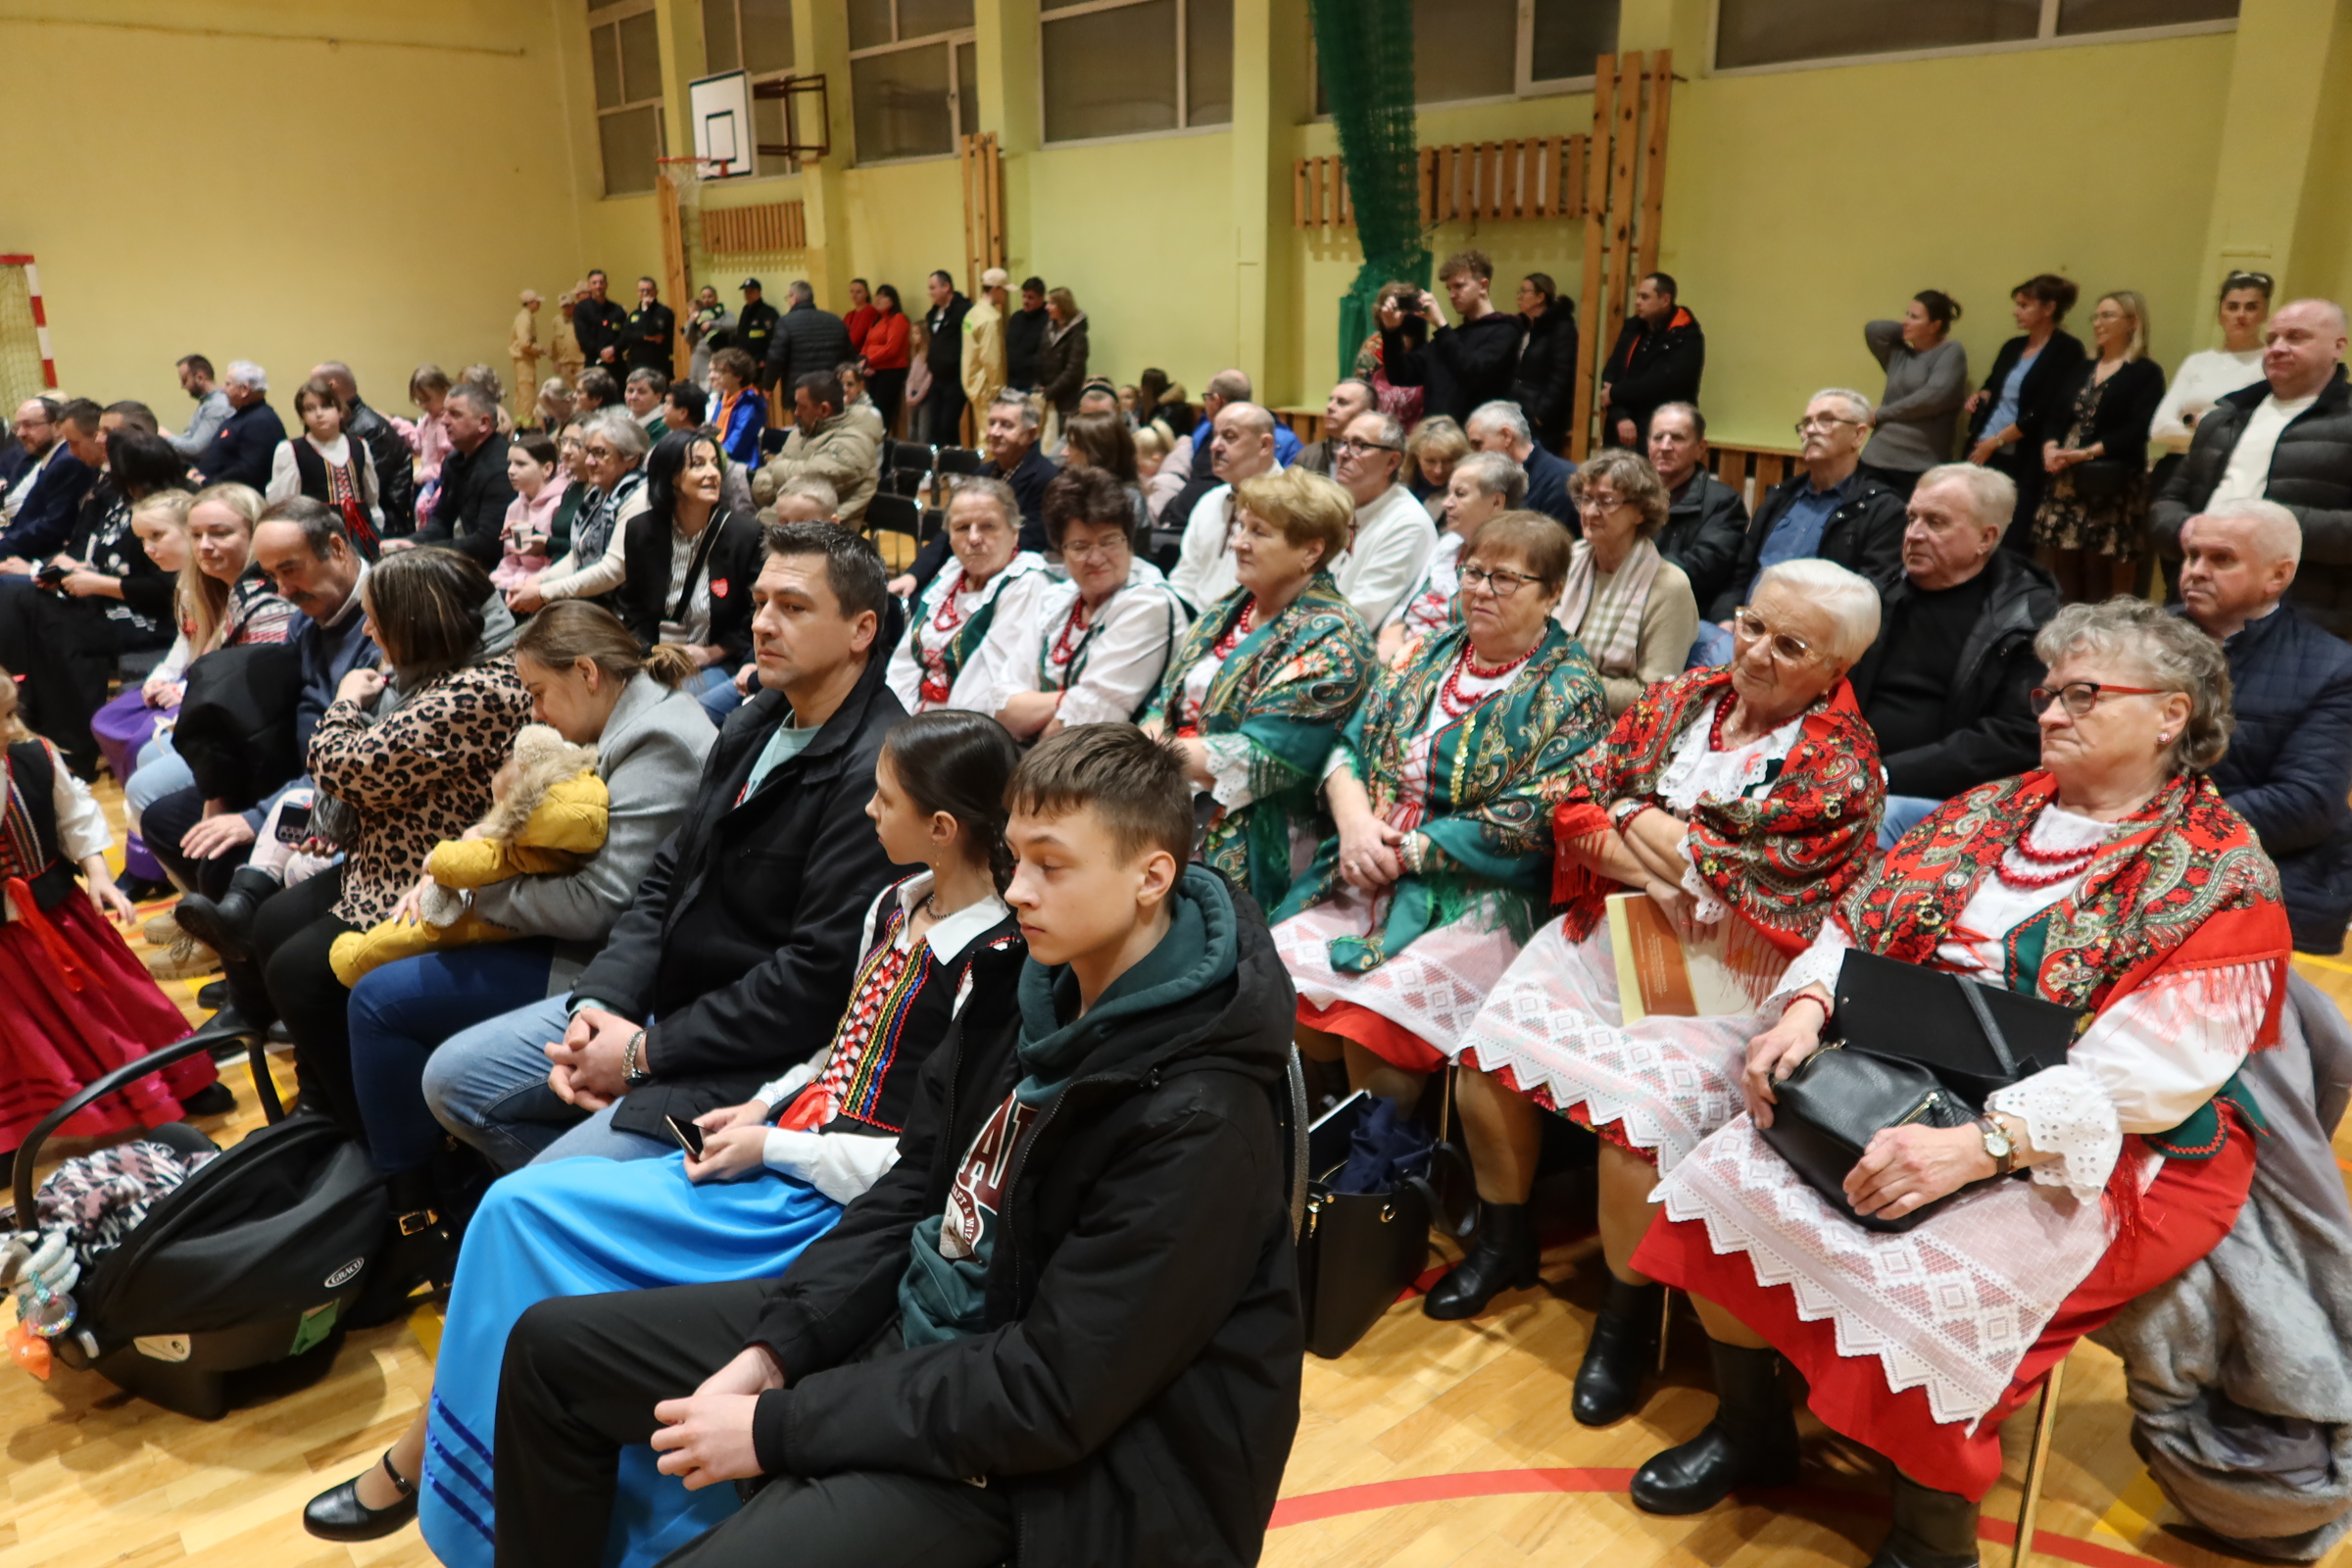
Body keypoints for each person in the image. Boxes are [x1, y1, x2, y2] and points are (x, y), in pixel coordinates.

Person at [486, 722, 1300, 1568]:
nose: (1019, 890)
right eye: (1015, 857)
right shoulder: (1023, 981)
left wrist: (779, 1424)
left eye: (1051, 866)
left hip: (1053, 1463)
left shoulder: (1201, 1117)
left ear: (1151, 878)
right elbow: (912, 1190)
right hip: (924, 1341)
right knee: (551, 1353)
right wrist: (777, 1350)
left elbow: (1051, 1391)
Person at [1632, 600, 2288, 1567]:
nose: (2050, 711)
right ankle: (1751, 1427)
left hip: (2100, 1138)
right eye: (2048, 692)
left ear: (2170, 715)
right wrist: (1806, 1008)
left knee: (1934, 1288)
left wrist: (1978, 1149)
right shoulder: (1992, 808)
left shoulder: (2221, 872)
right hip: (1906, 1075)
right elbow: (1856, 922)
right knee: (1728, 1180)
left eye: (2083, 694)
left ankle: (1930, 1542)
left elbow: (2148, 1077)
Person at [306, 710, 1030, 1557]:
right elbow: (836, 1047)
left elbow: (923, 1165)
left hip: (825, 1202)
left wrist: (772, 1143)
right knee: (512, 1210)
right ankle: (469, 1476)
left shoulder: (993, 963)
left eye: (886, 799)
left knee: (523, 1217)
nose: (870, 810)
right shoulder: (894, 902)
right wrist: (763, 1104)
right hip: (776, 1140)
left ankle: (473, 1479)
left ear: (940, 829)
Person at [1441, 560, 1884, 1344]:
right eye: (1752, 626)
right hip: (1616, 926)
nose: (1755, 652)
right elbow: (1572, 805)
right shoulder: (1679, 698)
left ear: (1837, 668)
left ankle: (1625, 1320)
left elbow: (1735, 873)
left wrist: (1628, 810)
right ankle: (1503, 1241)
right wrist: (1658, 864)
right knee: (1485, 1053)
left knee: (1637, 1124)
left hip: (1733, 974)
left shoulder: (1843, 768)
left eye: (1789, 646)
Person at [424, 524, 905, 1168]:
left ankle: (598, 1196)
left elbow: (814, 983)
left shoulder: (880, 771)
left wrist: (641, 1054)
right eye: (760, 602)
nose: (763, 624)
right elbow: (667, 878)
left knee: (531, 1199)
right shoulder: (757, 719)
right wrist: (601, 1004)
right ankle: (592, 1191)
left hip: (748, 1063)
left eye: (793, 607)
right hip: (663, 1007)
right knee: (452, 1079)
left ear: (862, 630)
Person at [1279, 511, 1609, 1103]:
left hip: (1478, 887)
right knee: (1275, 977)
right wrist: (1355, 825)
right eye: (1473, 572)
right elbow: (1350, 744)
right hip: (1365, 855)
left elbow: (1537, 813)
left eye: (1505, 579)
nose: (1481, 590)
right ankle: (1312, 1131)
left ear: (1552, 593)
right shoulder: (1426, 653)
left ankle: (1378, 1152)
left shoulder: (1569, 690)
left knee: (1375, 1021)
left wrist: (1410, 851)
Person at [226, 548, 531, 1135]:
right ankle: (322, 1100)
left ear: (415, 623)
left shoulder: (477, 690)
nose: (368, 631)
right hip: (388, 855)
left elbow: (343, 767)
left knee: (299, 973)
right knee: (272, 922)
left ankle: (372, 1132)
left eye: (376, 619)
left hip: (435, 877)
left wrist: (344, 701)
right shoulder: (434, 671)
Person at [0, 666, 222, 1181]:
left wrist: (98, 873)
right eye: (1, 719)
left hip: (60, 918)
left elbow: (74, 816)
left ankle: (176, 1082)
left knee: (115, 1006)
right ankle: (14, 1130)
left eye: (11, 714)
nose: (12, 727)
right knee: (17, 1039)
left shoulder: (33, 757)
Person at [1146, 466, 1376, 908]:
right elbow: (1164, 703)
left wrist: (1146, 754)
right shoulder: (1229, 608)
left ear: (1311, 551)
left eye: (1259, 532)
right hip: (1172, 785)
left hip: (1258, 827)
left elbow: (1260, 757)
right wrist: (1145, 744)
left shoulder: (1336, 638)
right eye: (1240, 527)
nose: (1239, 542)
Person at [1847, 464, 2058, 848]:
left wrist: (1885, 774)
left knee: (1875, 822)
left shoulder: (2028, 619)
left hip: (1947, 798)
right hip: (1850, 773)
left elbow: (2015, 736)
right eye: (1912, 518)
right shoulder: (1878, 594)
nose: (1914, 534)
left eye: (1936, 522)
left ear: (1985, 537)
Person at [2178, 499, 2352, 955]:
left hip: (2250, 879)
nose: (2196, 571)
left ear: (2278, 576)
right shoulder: (2134, 641)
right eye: (2192, 555)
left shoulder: (2332, 668)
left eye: (2221, 559)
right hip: (2115, 855)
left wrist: (2164, 831)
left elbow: (2306, 802)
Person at [2152, 297, 2352, 637]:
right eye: (2271, 339)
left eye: (2296, 337)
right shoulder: (2223, 419)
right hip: (2196, 608)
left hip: (2304, 615)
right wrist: (2188, 530)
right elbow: (2167, 503)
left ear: (2338, 346)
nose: (2277, 348)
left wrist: (2265, 533)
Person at [0, 430, 184, 779]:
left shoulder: (168, 512)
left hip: (142, 615)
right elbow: (97, 554)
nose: (104, 465)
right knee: (14, 597)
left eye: (111, 460)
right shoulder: (117, 501)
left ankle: (76, 746)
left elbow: (164, 590)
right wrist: (72, 570)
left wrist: (97, 583)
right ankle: (30, 723)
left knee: (51, 626)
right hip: (103, 597)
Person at [982, 466, 1190, 741]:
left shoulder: (1148, 602)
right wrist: (1069, 700)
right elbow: (1003, 706)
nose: (1096, 558)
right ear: (1060, 551)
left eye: (1109, 542)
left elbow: (1092, 721)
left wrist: (1040, 716)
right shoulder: (1058, 599)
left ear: (1129, 542)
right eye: (1080, 546)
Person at [1705, 389, 1907, 631]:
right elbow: (1739, 575)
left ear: (1858, 435)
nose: (1810, 430)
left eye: (1825, 421)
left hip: (1810, 640)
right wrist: (1725, 620)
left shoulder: (1882, 509)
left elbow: (1868, 602)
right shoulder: (1780, 497)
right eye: (1806, 423)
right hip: (1744, 627)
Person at [2032, 290, 2167, 603]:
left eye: (2108, 316)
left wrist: (2085, 453)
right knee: (2063, 564)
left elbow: (2139, 428)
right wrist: (2050, 448)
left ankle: (2099, 632)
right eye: (2096, 316)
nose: (2098, 323)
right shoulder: (2082, 368)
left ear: (2132, 322)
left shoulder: (2145, 372)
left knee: (2098, 571)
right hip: (2066, 478)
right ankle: (2069, 627)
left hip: (2109, 482)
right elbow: (2056, 416)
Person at [622, 431, 763, 722]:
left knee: (673, 713)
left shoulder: (745, 534)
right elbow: (633, 607)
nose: (713, 473)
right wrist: (653, 654)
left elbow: (753, 615)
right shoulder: (641, 530)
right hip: (656, 659)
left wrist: (711, 653)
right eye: (698, 464)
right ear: (671, 476)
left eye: (715, 464)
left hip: (720, 662)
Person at [885, 478, 1050, 714]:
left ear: (1014, 532)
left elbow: (991, 686)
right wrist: (894, 716)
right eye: (962, 528)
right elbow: (905, 662)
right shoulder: (950, 576)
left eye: (988, 526)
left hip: (974, 724)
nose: (973, 538)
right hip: (917, 717)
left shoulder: (1025, 583)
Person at [1562, 450, 1701, 715]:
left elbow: (1656, 695)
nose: (1590, 512)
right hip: (1550, 707)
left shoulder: (1669, 586)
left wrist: (1565, 683)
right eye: (1586, 499)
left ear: (1640, 511)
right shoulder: (1568, 559)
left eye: (1606, 501)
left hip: (1612, 724)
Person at [1966, 273, 2087, 555]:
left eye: (2024, 305)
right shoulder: (2012, 346)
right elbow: (1993, 384)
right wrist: (1981, 395)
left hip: (2022, 456)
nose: (2015, 311)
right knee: (1972, 529)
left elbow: (2047, 408)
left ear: (2048, 308)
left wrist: (1996, 442)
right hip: (1984, 446)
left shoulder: (2067, 350)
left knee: (2012, 537)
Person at [1379, 450, 1526, 661]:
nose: (1446, 503)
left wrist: (1408, 658)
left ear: (1496, 503)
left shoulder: (1514, 564)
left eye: (1460, 494)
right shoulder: (1449, 544)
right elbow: (1406, 604)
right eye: (1449, 493)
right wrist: (1392, 636)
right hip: (1403, 651)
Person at [510, 409, 650, 613]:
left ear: (632, 458)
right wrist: (539, 580)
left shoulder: (639, 498)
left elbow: (613, 570)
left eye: (600, 453)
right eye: (589, 452)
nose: (590, 461)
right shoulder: (598, 494)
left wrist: (544, 592)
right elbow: (578, 555)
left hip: (626, 613)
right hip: (594, 604)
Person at [2151, 270, 2272, 487]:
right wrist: (2220, 431)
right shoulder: (2197, 362)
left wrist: (2196, 423)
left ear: (2264, 313)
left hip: (2232, 473)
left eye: (2251, 307)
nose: (2241, 314)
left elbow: (2257, 432)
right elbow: (2159, 429)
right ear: (2220, 314)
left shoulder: (2270, 363)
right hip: (2178, 466)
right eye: (2232, 307)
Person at [1381, 249, 1524, 426]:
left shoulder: (1505, 330)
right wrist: (1392, 331)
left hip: (1476, 435)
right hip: (1437, 434)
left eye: (1459, 286)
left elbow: (1473, 374)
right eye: (1449, 288)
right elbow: (1400, 375)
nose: (1452, 295)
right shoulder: (1450, 338)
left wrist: (1441, 325)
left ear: (1483, 286)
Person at [1168, 400, 1283, 612]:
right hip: (1198, 623)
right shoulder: (1210, 501)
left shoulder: (1291, 506)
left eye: (1229, 437)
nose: (1214, 446)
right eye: (1215, 436)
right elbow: (1185, 579)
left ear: (1264, 445)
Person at [1329, 408, 1439, 626]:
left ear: (1391, 462)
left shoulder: (1408, 524)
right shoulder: (1343, 504)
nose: (1343, 453)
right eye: (1343, 442)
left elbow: (1361, 614)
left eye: (1359, 445)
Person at [1860, 291, 1970, 496]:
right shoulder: (1899, 353)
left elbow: (1933, 398)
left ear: (1935, 325)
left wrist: (1882, 413)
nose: (1905, 321)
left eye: (1914, 317)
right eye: (1907, 314)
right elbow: (1874, 329)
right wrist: (1909, 327)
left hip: (1917, 464)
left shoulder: (1950, 352)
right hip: (1875, 458)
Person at [265, 376, 385, 558]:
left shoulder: (359, 445)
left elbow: (371, 497)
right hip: (318, 537)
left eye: (326, 406)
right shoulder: (291, 450)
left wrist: (377, 525)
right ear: (302, 417)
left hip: (363, 535)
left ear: (340, 410)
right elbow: (284, 505)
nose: (319, 414)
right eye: (309, 409)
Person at [1647, 403, 1748, 616]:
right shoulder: (1632, 495)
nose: (1665, 446)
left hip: (1686, 611)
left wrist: (1635, 566)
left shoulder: (1724, 502)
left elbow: (1705, 567)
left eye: (1677, 438)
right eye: (1658, 438)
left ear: (1700, 448)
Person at [756, 370, 879, 527]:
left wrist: (774, 469)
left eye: (801, 406)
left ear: (824, 410)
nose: (796, 412)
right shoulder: (799, 435)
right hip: (780, 527)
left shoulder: (854, 443)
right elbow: (760, 486)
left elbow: (807, 484)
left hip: (823, 536)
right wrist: (778, 478)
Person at [413, 382, 514, 567]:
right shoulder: (453, 461)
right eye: (444, 412)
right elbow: (442, 521)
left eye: (455, 414)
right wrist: (410, 544)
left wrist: (422, 550)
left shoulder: (503, 468)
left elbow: (488, 544)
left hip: (500, 567)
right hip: (468, 559)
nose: (444, 421)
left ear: (484, 423)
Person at [313, 360, 417, 538]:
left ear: (332, 386)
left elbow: (363, 489)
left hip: (382, 529)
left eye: (315, 387)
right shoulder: (346, 424)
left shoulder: (370, 428)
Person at [1600, 273, 1705, 448]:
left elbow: (1663, 382)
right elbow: (1610, 374)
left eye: (1645, 297)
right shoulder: (1632, 328)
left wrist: (1615, 392)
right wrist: (1621, 417)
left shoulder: (1686, 336)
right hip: (1621, 429)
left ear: (1665, 300)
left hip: (1663, 431)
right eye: (1637, 296)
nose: (1637, 302)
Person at [1466, 399, 1576, 529]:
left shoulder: (1560, 479)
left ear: (1507, 436)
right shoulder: (1499, 477)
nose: (1475, 455)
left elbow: (1552, 539)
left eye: (1478, 444)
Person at [188, 362, 288, 491]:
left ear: (244, 390)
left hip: (232, 495)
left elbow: (248, 470)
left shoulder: (261, 422)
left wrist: (208, 482)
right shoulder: (242, 416)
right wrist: (197, 472)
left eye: (228, 384)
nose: (223, 389)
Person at [1510, 271, 1580, 451]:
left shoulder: (1561, 328)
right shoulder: (1523, 326)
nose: (1519, 296)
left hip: (1543, 419)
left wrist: (1540, 415)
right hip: (1516, 410)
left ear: (1540, 297)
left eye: (1524, 291)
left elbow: (1562, 375)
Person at [490, 432, 564, 593]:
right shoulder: (515, 507)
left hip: (543, 584)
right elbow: (511, 558)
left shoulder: (559, 506)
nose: (511, 471)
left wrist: (516, 585)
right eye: (510, 463)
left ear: (547, 469)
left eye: (521, 464)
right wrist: (498, 581)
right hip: (516, 580)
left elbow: (556, 563)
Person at [764, 280, 852, 407]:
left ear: (794, 298)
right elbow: (849, 356)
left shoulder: (785, 322)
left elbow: (776, 358)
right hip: (830, 387)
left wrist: (768, 386)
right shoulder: (835, 320)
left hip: (800, 390)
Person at [921, 270, 973, 446]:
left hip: (955, 379)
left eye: (933, 288)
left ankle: (953, 460)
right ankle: (938, 460)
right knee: (934, 427)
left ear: (946, 287)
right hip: (937, 378)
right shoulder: (933, 314)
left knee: (948, 426)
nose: (930, 292)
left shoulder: (963, 310)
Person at [1292, 379, 1377, 477]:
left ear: (1365, 413)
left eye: (1342, 402)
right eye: (1330, 400)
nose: (1329, 407)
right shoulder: (1308, 455)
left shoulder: (1378, 457)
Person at [1036, 285, 1092, 429]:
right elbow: (1040, 357)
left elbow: (1073, 371)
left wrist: (1050, 391)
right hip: (1047, 396)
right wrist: (1038, 384)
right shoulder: (1048, 328)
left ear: (1062, 306)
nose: (1047, 307)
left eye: (1051, 303)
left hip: (1068, 402)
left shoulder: (1078, 335)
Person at [862, 282, 912, 434]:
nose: (878, 299)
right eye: (877, 295)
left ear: (892, 300)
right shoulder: (876, 320)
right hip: (872, 371)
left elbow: (892, 349)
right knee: (871, 412)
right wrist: (862, 361)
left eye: (883, 296)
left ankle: (882, 442)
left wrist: (869, 360)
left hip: (891, 371)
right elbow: (867, 344)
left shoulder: (898, 319)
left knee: (882, 413)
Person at [707, 347, 768, 468]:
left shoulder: (750, 406)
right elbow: (713, 433)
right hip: (720, 459)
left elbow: (735, 447)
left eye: (720, 372)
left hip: (741, 466)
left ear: (738, 376)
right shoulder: (723, 400)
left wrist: (712, 457)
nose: (713, 376)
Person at [960, 266, 1009, 416]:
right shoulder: (991, 319)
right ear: (995, 289)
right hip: (986, 388)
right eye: (1004, 290)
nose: (1006, 294)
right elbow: (991, 358)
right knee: (990, 429)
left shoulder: (971, 314)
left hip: (973, 383)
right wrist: (999, 390)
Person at [168, 355, 233, 462]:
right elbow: (190, 438)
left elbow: (196, 449)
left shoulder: (216, 406)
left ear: (200, 378)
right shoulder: (207, 402)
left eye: (184, 380)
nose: (183, 386)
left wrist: (166, 437)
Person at [1406, 414, 1470, 518]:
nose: (1438, 470)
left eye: (1447, 461)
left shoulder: (1468, 496)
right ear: (1416, 457)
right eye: (1430, 461)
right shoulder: (1398, 482)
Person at [575, 270, 631, 369]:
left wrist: (613, 348)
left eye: (601, 282)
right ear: (589, 286)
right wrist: (601, 351)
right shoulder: (581, 309)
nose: (598, 286)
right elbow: (582, 336)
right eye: (594, 283)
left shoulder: (617, 309)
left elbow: (625, 334)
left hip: (616, 361)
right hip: (594, 362)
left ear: (606, 285)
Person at [1005, 273, 1050, 391]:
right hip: (1012, 381)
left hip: (1035, 383)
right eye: (1024, 296)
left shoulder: (1049, 320)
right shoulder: (1016, 317)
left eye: (1030, 297)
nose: (1025, 301)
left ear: (1041, 298)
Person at [683, 284, 732, 389]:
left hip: (718, 359)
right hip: (699, 361)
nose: (706, 300)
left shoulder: (724, 314)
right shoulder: (698, 316)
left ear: (716, 297)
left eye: (710, 296)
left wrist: (712, 324)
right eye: (704, 297)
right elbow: (688, 339)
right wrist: (691, 321)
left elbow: (733, 326)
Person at [734, 277, 781, 385]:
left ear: (759, 292)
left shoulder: (768, 312)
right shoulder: (745, 310)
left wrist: (765, 358)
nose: (748, 294)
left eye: (751, 291)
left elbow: (774, 338)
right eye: (746, 292)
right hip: (745, 363)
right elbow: (741, 334)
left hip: (760, 364)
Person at [509, 289, 545, 417]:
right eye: (537, 302)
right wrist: (540, 349)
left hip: (523, 359)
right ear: (530, 303)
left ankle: (520, 420)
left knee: (522, 390)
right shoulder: (525, 318)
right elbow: (525, 343)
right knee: (527, 391)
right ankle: (527, 422)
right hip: (524, 359)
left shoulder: (524, 317)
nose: (539, 304)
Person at [547, 291, 587, 389]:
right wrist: (555, 361)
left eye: (569, 305)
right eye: (564, 306)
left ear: (574, 304)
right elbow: (554, 342)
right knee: (568, 390)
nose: (567, 308)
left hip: (581, 361)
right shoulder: (557, 321)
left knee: (582, 388)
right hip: (565, 363)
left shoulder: (583, 318)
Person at [624, 368, 671, 443]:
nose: (633, 397)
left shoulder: (664, 425)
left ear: (658, 397)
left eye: (641, 392)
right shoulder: (623, 418)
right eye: (630, 391)